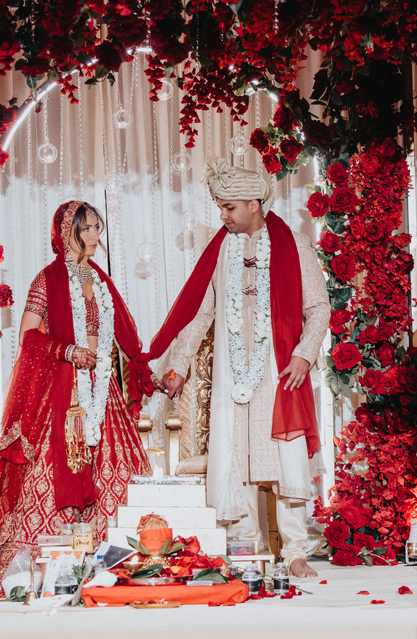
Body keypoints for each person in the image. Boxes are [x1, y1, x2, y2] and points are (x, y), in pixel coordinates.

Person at [150, 159, 330, 578]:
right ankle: (250, 548)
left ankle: (295, 551)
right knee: (239, 457)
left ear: (254, 203)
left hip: (281, 366)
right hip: (233, 369)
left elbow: (318, 308)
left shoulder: (296, 244)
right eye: (220, 207)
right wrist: (177, 365)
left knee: (285, 459)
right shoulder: (221, 249)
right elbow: (200, 313)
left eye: (229, 207)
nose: (223, 216)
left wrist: (304, 353)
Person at [0, 201, 151, 587]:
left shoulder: (100, 280)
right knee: (57, 463)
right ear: (65, 233)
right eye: (85, 229)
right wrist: (66, 351)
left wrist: (136, 363)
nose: (93, 236)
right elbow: (28, 335)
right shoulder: (46, 280)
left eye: (96, 228)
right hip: (64, 389)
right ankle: (51, 555)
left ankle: (114, 553)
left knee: (114, 465)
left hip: (102, 388)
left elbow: (122, 334)